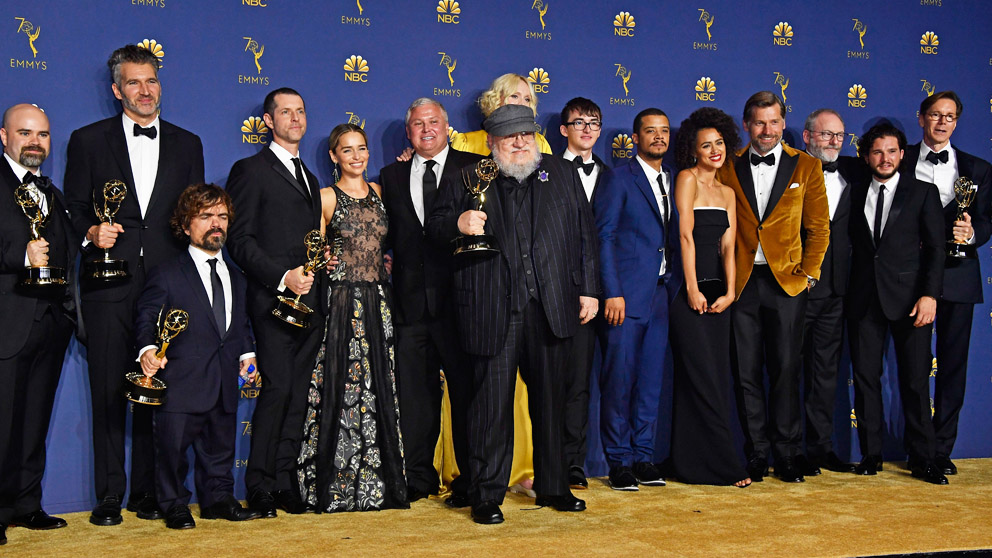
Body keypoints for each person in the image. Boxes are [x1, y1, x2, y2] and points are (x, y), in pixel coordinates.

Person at [426, 104, 599, 524]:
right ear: (492, 143)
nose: (520, 143)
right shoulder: (466, 177)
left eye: (525, 134)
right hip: (491, 308)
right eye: (510, 137)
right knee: (490, 408)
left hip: (550, 306)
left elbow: (584, 235)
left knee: (552, 403)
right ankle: (486, 495)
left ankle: (554, 487)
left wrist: (590, 290)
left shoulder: (560, 173)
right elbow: (433, 228)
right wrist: (459, 224)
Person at [63, 44, 205, 526]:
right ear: (116, 89)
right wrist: (90, 231)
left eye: (151, 81)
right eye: (134, 82)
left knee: (157, 383)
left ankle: (150, 492)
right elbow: (75, 208)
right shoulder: (87, 141)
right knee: (106, 386)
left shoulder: (189, 143)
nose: (144, 91)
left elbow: (193, 217)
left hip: (167, 287)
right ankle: (108, 496)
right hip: (108, 283)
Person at [715, 91, 829, 483]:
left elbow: (819, 228)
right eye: (760, 123)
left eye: (774, 122)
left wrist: (809, 275)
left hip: (787, 285)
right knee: (746, 373)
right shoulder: (728, 167)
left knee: (785, 370)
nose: (767, 130)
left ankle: (788, 453)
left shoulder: (807, 166)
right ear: (747, 125)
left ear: (784, 124)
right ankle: (756, 453)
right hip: (742, 284)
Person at [134, 184, 260, 529]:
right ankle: (173, 503)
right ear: (186, 225)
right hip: (181, 382)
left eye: (221, 216)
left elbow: (241, 324)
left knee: (220, 450)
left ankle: (218, 499)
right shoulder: (167, 272)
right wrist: (147, 351)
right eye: (205, 216)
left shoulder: (236, 275)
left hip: (223, 380)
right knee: (172, 451)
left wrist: (247, 355)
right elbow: (147, 316)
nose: (215, 223)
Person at [296, 123, 407, 512]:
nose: (357, 156)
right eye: (348, 150)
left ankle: (380, 484)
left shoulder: (380, 192)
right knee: (340, 388)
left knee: (379, 388)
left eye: (362, 149)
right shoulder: (326, 198)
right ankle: (336, 487)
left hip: (379, 300)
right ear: (333, 156)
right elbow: (314, 250)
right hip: (342, 303)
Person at [226, 87, 323, 518]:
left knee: (298, 395)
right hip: (270, 303)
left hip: (309, 302)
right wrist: (282, 276)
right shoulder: (250, 169)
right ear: (269, 121)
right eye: (285, 112)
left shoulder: (311, 176)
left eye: (300, 111)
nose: (295, 118)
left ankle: (285, 482)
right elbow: (239, 240)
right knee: (278, 389)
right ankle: (260, 484)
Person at [379, 98, 481, 506]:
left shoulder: (473, 166)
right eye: (418, 124)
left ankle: (473, 480)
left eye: (433, 122)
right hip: (409, 307)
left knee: (467, 396)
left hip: (462, 304)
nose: (426, 129)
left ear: (447, 126)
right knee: (415, 399)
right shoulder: (391, 174)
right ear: (408, 133)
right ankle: (417, 479)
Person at [847, 122, 947, 485]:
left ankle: (923, 458)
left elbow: (936, 249)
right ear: (867, 156)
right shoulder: (854, 192)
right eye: (877, 151)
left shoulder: (923, 192)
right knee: (866, 380)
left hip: (912, 301)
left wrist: (930, 295)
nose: (884, 158)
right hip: (864, 300)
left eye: (891, 151)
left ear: (902, 154)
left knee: (917, 382)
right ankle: (871, 455)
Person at [901, 91, 992, 476]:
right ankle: (919, 447)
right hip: (910, 278)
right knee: (913, 366)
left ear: (957, 122)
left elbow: (987, 222)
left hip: (958, 276)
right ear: (920, 117)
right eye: (935, 115)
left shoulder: (978, 169)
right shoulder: (898, 159)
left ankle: (942, 448)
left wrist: (970, 233)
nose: (942, 122)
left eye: (950, 116)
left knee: (953, 366)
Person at [0, 104, 77, 544]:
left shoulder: (51, 189)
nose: (35, 142)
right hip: (8, 322)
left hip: (49, 323)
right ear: (4, 136)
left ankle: (27, 504)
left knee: (33, 421)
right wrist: (19, 257)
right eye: (25, 132)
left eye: (43, 134)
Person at [594, 108, 680, 491]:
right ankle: (619, 461)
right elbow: (605, 237)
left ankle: (644, 456)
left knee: (649, 382)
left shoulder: (672, 178)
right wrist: (612, 291)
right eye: (650, 131)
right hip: (625, 299)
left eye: (664, 131)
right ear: (636, 137)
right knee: (620, 380)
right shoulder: (618, 178)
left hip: (661, 295)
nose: (659, 137)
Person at [667, 107, 749, 487]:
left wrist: (731, 291)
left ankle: (689, 464)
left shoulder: (729, 192)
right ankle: (723, 467)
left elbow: (728, 248)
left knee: (715, 378)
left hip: (720, 295)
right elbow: (685, 237)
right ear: (693, 150)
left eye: (718, 143)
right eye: (706, 145)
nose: (714, 150)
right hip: (691, 292)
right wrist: (692, 288)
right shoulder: (687, 179)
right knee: (700, 379)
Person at [798, 109, 862, 475]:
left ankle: (820, 450)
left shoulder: (854, 171)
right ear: (807, 137)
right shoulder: (789, 171)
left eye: (839, 135)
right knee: (788, 372)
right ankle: (787, 451)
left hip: (837, 292)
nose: (834, 142)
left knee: (824, 376)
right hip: (796, 289)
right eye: (826, 135)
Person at [557, 97, 607, 489]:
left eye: (594, 122)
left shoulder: (615, 175)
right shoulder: (542, 172)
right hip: (551, 291)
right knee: (545, 382)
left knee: (579, 383)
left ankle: (574, 462)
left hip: (597, 294)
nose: (587, 129)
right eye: (579, 122)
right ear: (563, 129)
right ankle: (545, 459)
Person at [450, 73, 553, 156]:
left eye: (527, 99)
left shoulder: (540, 143)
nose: (522, 104)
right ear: (497, 99)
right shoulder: (466, 143)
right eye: (514, 96)